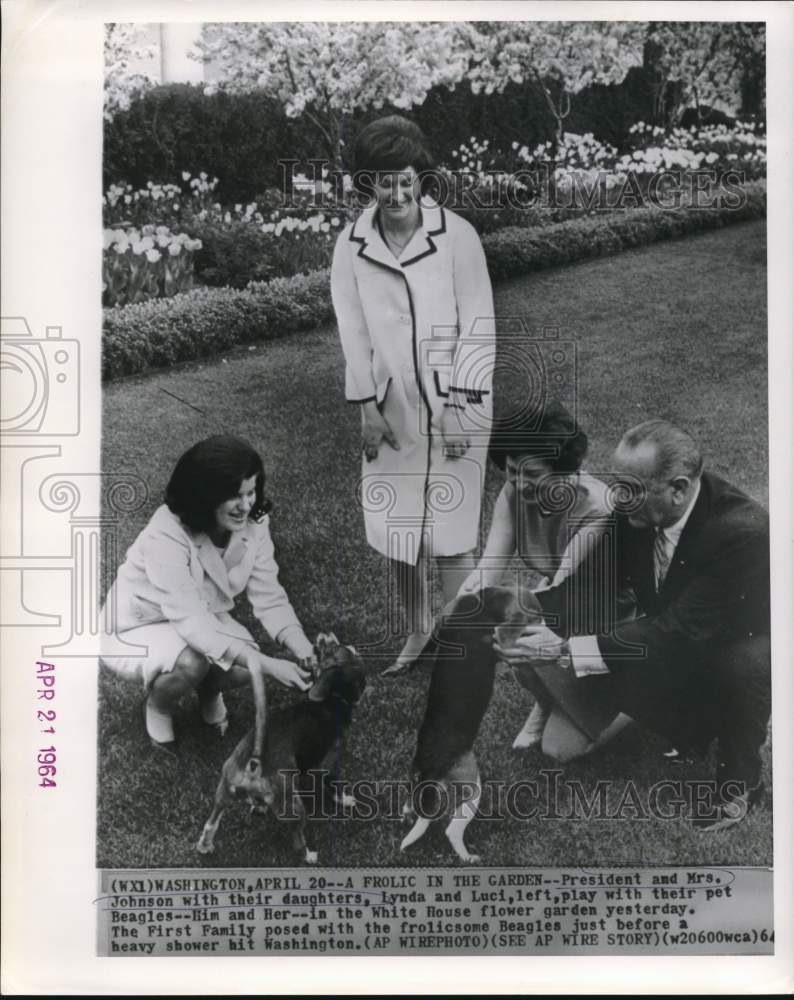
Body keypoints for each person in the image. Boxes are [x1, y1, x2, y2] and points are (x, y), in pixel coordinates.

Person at [496, 420, 771, 832]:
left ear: (678, 489)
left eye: (630, 490)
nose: (618, 499)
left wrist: (567, 648)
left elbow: (679, 632)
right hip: (675, 633)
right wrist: (525, 615)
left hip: (738, 642)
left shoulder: (742, 533)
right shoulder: (636, 507)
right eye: (616, 486)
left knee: (744, 664)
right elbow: (593, 583)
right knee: (625, 667)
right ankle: (694, 728)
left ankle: (741, 780)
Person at [331, 114, 495, 674]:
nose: (397, 193)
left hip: (459, 401)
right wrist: (367, 409)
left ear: (421, 178)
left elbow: (479, 322)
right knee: (398, 530)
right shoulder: (351, 244)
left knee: (452, 530)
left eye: (406, 180)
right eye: (384, 182)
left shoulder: (458, 236)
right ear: (368, 184)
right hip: (389, 405)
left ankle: (461, 642)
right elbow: (352, 329)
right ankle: (418, 629)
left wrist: (457, 409)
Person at [100, 435, 314, 751]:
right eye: (234, 495)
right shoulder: (165, 533)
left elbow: (268, 593)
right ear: (204, 495)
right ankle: (159, 707)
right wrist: (268, 665)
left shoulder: (255, 522)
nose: (246, 506)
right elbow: (190, 620)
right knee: (194, 662)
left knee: (241, 663)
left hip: (199, 613)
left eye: (251, 491)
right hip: (138, 625)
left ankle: (209, 692)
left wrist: (301, 645)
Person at [457, 399, 619, 749]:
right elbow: (489, 566)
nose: (519, 483)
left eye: (531, 474)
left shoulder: (596, 508)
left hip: (602, 608)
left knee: (560, 750)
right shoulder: (512, 492)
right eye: (512, 470)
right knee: (515, 632)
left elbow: (564, 587)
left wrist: (523, 625)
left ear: (562, 470)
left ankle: (631, 703)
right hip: (561, 592)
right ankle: (546, 702)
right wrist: (465, 607)